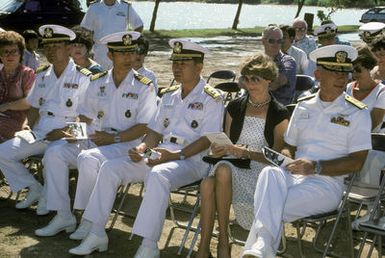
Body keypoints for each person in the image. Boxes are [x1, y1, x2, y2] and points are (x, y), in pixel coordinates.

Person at [241, 45, 372, 258]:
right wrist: (286, 155)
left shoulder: (356, 112)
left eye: (344, 73)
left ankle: (262, 247)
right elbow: (289, 145)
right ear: (318, 74)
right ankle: (262, 250)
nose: (342, 78)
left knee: (267, 205)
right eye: (334, 72)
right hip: (294, 176)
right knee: (270, 173)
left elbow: (358, 161)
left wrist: (317, 166)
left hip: (326, 184)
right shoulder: (304, 106)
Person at [35, 31, 157, 241]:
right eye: (122, 54)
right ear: (110, 56)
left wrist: (113, 139)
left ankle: (87, 220)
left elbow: (145, 126)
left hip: (124, 142)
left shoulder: (144, 86)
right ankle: (63, 215)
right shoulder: (97, 81)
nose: (128, 58)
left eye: (131, 53)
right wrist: (71, 133)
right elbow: (85, 117)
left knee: (88, 159)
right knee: (55, 152)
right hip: (95, 137)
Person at [196, 53, 289, 258]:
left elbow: (275, 158)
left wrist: (246, 152)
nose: (249, 84)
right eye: (246, 79)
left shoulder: (279, 113)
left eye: (255, 79)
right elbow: (226, 141)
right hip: (231, 163)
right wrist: (219, 149)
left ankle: (221, 241)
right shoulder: (235, 106)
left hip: (259, 170)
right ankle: (209, 246)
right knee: (208, 182)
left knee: (217, 174)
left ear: (268, 80)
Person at [0, 25, 91, 212]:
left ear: (68, 48)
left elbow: (88, 118)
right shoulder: (42, 75)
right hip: (42, 131)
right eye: (47, 46)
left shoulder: (84, 77)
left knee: (53, 155)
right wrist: (26, 125)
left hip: (69, 136)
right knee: (3, 153)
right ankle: (35, 188)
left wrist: (65, 132)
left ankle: (58, 209)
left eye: (56, 46)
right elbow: (34, 106)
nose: (50, 51)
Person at [346, 45, 385, 229]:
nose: (354, 74)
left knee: (373, 156)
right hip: (345, 139)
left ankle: (372, 208)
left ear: (370, 68)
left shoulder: (382, 92)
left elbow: (372, 123)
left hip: (369, 142)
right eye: (352, 70)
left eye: (358, 70)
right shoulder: (347, 88)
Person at [80, 0, 144, 70]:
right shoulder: (94, 7)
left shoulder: (126, 7)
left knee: (119, 76)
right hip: (100, 50)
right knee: (99, 76)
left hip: (120, 50)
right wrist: (88, 49)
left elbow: (139, 25)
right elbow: (86, 29)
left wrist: (129, 43)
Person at [0, 31, 35, 143]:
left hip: (20, 121)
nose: (10, 55)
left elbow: (30, 101)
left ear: (20, 54)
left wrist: (6, 106)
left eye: (14, 51)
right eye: (5, 52)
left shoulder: (27, 73)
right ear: (0, 55)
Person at [262, 25, 296, 105]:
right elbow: (241, 81)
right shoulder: (256, 60)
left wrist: (251, 83)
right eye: (271, 41)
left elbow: (275, 84)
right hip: (255, 106)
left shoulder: (288, 61)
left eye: (279, 41)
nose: (276, 44)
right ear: (263, 41)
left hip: (278, 109)